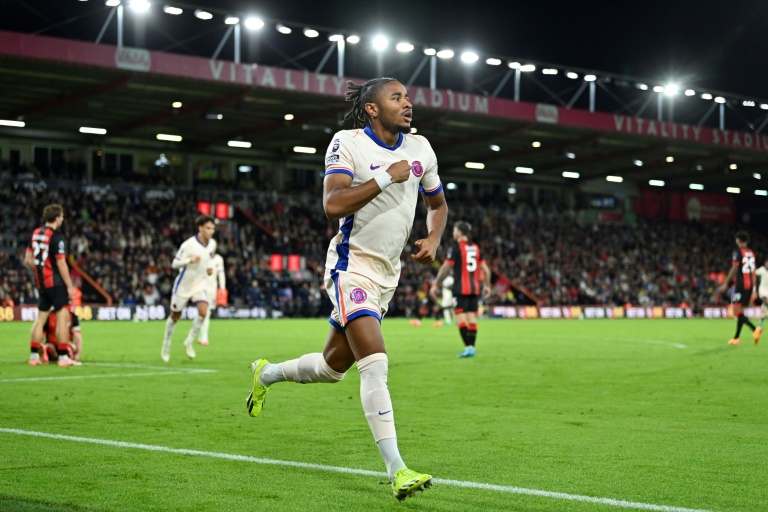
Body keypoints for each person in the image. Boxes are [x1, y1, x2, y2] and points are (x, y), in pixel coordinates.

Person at [246, 77, 447, 501]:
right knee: (374, 362)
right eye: (397, 98)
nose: (408, 103)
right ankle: (398, 469)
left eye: (408, 96)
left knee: (331, 368)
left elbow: (438, 205)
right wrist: (385, 179)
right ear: (372, 108)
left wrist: (433, 239)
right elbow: (332, 204)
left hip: (387, 276)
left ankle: (266, 373)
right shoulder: (347, 143)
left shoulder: (421, 149)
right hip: (350, 267)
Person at [25, 204, 77, 367]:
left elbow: (28, 259)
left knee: (40, 319)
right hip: (56, 283)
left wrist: (40, 271)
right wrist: (69, 286)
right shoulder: (57, 237)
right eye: (61, 216)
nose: (62, 219)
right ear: (56, 218)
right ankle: (63, 357)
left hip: (42, 283)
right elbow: (61, 264)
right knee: (62, 317)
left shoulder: (35, 233)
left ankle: (34, 356)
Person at [429, 221, 492, 358]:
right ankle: (472, 347)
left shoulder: (456, 247)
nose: (453, 233)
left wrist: (436, 284)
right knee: (471, 317)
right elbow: (485, 270)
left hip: (460, 289)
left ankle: (469, 347)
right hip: (474, 289)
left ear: (459, 232)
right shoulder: (475, 247)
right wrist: (487, 286)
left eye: (454, 230)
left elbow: (446, 267)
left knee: (460, 318)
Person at [161, 215, 217, 362]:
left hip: (200, 285)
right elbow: (174, 264)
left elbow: (209, 259)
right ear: (200, 228)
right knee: (175, 317)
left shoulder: (212, 244)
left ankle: (189, 341)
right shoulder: (188, 245)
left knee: (204, 311)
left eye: (213, 228)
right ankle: (166, 345)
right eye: (208, 228)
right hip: (184, 286)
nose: (212, 231)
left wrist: (210, 268)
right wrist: (189, 260)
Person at [719, 231, 758, 345]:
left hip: (741, 286)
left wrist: (726, 283)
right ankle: (736, 338)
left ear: (738, 240)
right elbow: (753, 271)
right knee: (741, 313)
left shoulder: (737, 251)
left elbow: (735, 268)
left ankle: (755, 329)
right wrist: (754, 288)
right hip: (750, 285)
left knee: (736, 312)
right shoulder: (751, 252)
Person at [197, 252, 225, 345]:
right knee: (206, 312)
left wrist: (222, 287)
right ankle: (204, 337)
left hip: (212, 290)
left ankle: (201, 336)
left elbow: (221, 274)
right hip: (201, 288)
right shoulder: (201, 256)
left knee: (204, 313)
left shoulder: (219, 259)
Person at [752, 257, 768, 342]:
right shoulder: (761, 270)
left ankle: (759, 327)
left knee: (764, 309)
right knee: (765, 300)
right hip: (762, 291)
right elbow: (754, 274)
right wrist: (754, 288)